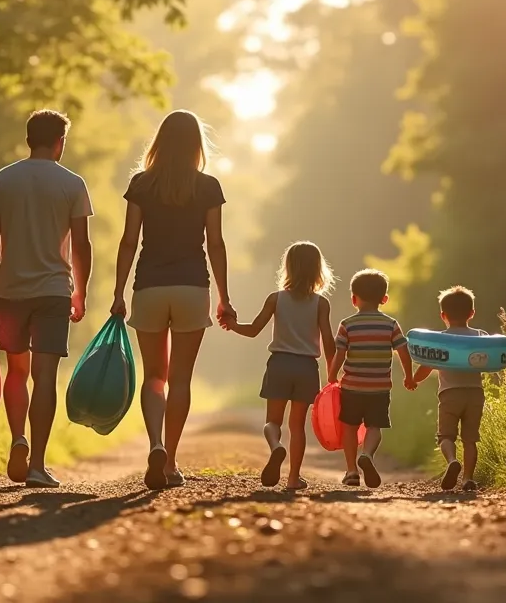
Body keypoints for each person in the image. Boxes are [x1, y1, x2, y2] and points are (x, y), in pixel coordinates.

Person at [110, 110, 235, 491]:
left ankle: (156, 444)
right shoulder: (208, 186)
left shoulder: (142, 184)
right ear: (197, 144)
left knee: (154, 377)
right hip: (192, 287)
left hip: (149, 286)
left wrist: (118, 292)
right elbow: (214, 243)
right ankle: (171, 463)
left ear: (160, 142)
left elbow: (129, 240)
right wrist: (224, 297)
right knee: (180, 378)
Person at [0, 109, 92, 489]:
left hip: (10, 292)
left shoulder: (3, 181)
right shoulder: (72, 184)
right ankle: (37, 464)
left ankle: (17, 437)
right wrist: (80, 292)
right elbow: (82, 246)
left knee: (17, 372)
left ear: (28, 140)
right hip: (54, 292)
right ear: (60, 143)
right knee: (44, 377)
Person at [222, 241, 336, 491]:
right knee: (297, 426)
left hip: (279, 364)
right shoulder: (321, 304)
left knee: (272, 421)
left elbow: (253, 330)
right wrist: (333, 374)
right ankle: (294, 478)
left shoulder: (276, 299)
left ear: (288, 268)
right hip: (306, 368)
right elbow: (328, 340)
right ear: (318, 269)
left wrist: (232, 325)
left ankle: (276, 446)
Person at [327, 269, 414, 488]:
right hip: (379, 388)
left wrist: (331, 375)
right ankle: (367, 454)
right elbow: (404, 351)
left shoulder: (347, 324)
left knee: (349, 427)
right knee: (374, 426)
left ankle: (351, 471)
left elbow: (340, 354)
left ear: (353, 299)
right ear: (384, 299)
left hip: (352, 387)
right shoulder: (391, 324)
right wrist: (409, 376)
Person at [406, 286, 487, 491]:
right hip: (475, 394)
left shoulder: (440, 341)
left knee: (446, 436)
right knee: (470, 439)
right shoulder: (480, 336)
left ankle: (452, 460)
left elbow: (426, 366)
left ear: (443, 315)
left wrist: (413, 380)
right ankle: (467, 478)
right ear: (472, 313)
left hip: (450, 394)